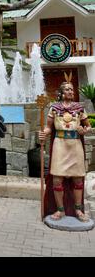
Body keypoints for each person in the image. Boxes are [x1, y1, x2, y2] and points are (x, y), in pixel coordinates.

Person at [39, 81, 91, 222]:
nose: (70, 92)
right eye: (67, 89)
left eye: (71, 89)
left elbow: (88, 127)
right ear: (61, 93)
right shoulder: (54, 108)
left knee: (78, 178)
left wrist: (84, 130)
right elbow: (49, 127)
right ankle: (60, 210)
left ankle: (78, 210)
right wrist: (44, 133)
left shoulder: (79, 108)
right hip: (60, 144)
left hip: (75, 144)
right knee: (57, 179)